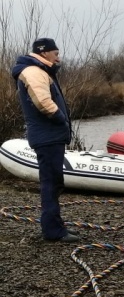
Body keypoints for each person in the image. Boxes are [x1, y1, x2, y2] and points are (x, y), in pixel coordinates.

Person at [10, 38, 79, 243]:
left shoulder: (40, 70)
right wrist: (61, 120)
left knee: (54, 182)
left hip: (50, 136)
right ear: (44, 53)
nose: (58, 57)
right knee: (51, 183)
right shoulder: (33, 72)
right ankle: (53, 231)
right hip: (47, 137)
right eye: (55, 53)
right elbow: (43, 102)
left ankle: (55, 225)